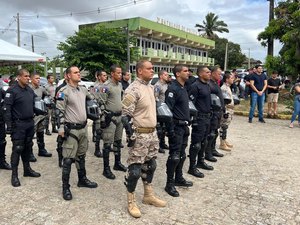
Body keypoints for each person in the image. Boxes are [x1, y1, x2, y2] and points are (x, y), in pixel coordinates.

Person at [122, 60, 166, 218]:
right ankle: (131, 200)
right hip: (139, 134)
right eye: (149, 69)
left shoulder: (151, 87)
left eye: (153, 68)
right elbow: (125, 116)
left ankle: (148, 195)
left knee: (151, 165)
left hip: (152, 133)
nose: (152, 71)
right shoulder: (132, 89)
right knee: (134, 170)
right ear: (139, 71)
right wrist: (130, 136)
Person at [56, 66, 98, 200]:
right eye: (75, 73)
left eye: (79, 72)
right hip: (71, 130)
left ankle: (82, 179)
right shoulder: (63, 91)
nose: (79, 74)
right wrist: (61, 128)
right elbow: (59, 112)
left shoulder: (83, 89)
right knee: (68, 159)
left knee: (81, 156)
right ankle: (65, 187)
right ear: (68, 76)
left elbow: (93, 100)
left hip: (83, 128)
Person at [3, 69, 41, 187]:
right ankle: (14, 175)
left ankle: (27, 170)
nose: (28, 78)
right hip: (18, 125)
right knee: (18, 149)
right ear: (19, 77)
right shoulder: (12, 91)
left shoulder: (29, 90)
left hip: (29, 123)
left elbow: (32, 106)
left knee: (28, 147)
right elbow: (6, 109)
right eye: (25, 76)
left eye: (29, 76)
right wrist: (9, 125)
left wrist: (42, 110)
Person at [164, 65, 193, 197]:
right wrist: (169, 130)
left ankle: (179, 178)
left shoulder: (184, 87)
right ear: (177, 74)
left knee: (182, 155)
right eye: (185, 71)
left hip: (184, 126)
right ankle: (169, 184)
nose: (188, 73)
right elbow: (168, 111)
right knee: (174, 156)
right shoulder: (173, 89)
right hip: (176, 127)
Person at [100, 65, 127, 179]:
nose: (120, 75)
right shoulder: (106, 86)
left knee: (117, 142)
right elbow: (101, 103)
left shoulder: (120, 85)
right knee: (107, 144)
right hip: (110, 118)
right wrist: (104, 117)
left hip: (119, 117)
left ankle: (117, 163)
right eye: (118, 73)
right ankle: (106, 169)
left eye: (121, 73)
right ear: (112, 73)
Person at [188, 66, 214, 178]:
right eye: (207, 72)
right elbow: (191, 103)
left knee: (204, 141)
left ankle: (201, 161)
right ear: (200, 74)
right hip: (199, 118)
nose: (210, 74)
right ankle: (192, 167)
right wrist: (193, 118)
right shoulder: (195, 86)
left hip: (208, 117)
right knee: (196, 144)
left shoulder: (207, 85)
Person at [29, 73, 52, 162]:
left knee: (40, 132)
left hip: (41, 115)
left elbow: (48, 95)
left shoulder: (42, 88)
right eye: (36, 78)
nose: (38, 80)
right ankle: (29, 153)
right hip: (33, 115)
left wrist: (47, 101)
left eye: (39, 78)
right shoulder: (28, 89)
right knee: (31, 135)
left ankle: (41, 150)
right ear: (31, 79)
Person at [206, 66, 225, 161]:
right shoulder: (209, 84)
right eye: (218, 74)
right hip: (213, 112)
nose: (220, 76)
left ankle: (212, 149)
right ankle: (208, 152)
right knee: (211, 134)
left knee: (215, 132)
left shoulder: (215, 83)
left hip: (218, 112)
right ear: (212, 73)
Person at [91, 70, 107, 158]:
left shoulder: (106, 86)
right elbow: (93, 98)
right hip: (98, 110)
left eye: (106, 75)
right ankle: (97, 149)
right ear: (99, 77)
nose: (105, 77)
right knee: (98, 130)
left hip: (105, 110)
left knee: (105, 129)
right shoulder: (95, 86)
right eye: (104, 75)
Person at [154, 70, 170, 154]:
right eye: (165, 74)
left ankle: (163, 143)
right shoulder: (157, 85)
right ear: (161, 76)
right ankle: (158, 145)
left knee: (164, 128)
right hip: (159, 109)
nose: (167, 76)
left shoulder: (166, 85)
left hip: (165, 109)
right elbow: (155, 98)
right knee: (159, 129)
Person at [54, 72, 68, 168]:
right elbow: (58, 105)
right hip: (63, 117)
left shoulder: (77, 88)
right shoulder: (61, 89)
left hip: (73, 118)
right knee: (61, 138)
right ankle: (61, 158)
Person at [219, 73, 235, 151]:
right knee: (223, 126)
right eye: (231, 78)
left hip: (230, 109)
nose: (233, 79)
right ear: (227, 79)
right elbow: (224, 101)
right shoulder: (224, 88)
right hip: (226, 110)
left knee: (226, 126)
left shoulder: (228, 87)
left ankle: (224, 140)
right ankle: (222, 143)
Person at [0, 86, 11, 170]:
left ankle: (2, 162)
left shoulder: (1, 91)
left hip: (0, 121)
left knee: (2, 142)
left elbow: (8, 101)